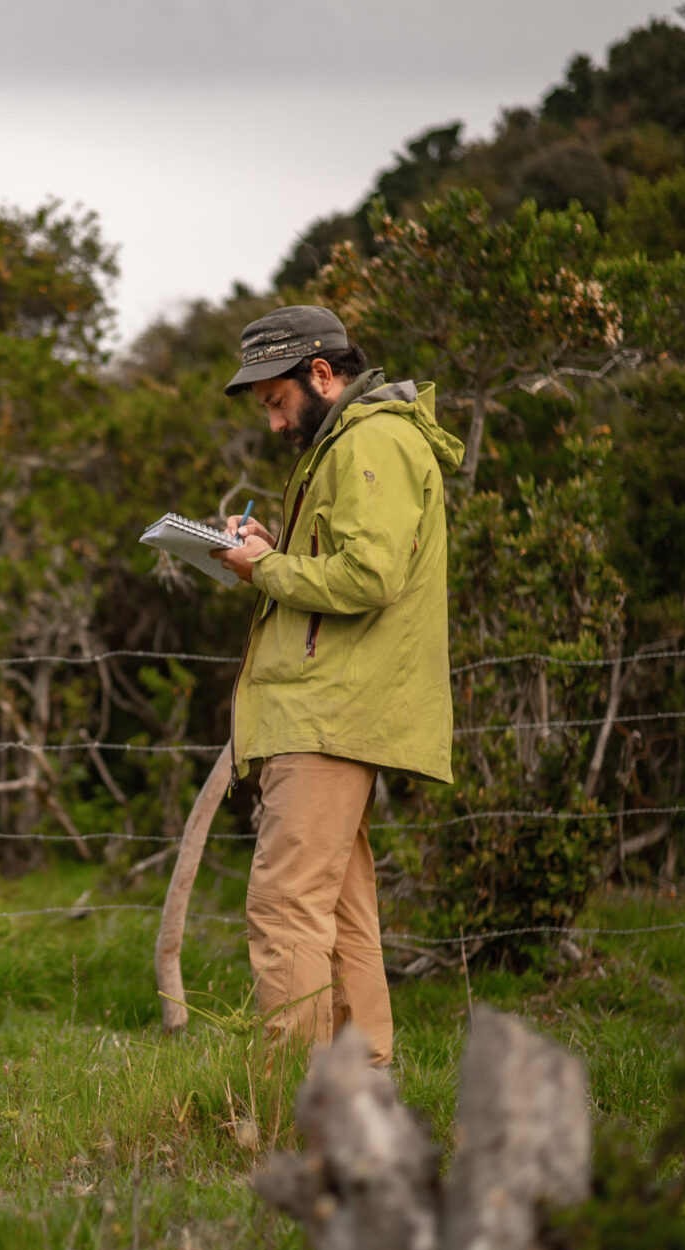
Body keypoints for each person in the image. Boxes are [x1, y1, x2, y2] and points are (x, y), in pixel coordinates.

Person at [209, 304, 461, 1068]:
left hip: (327, 713)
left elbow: (370, 576)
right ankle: (360, 1103)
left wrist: (267, 569)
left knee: (285, 910)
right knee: (344, 920)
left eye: (279, 402)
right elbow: (345, 558)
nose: (278, 425)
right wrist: (276, 550)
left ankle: (294, 1110)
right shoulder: (358, 443)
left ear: (322, 374)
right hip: (332, 710)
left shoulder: (370, 441)